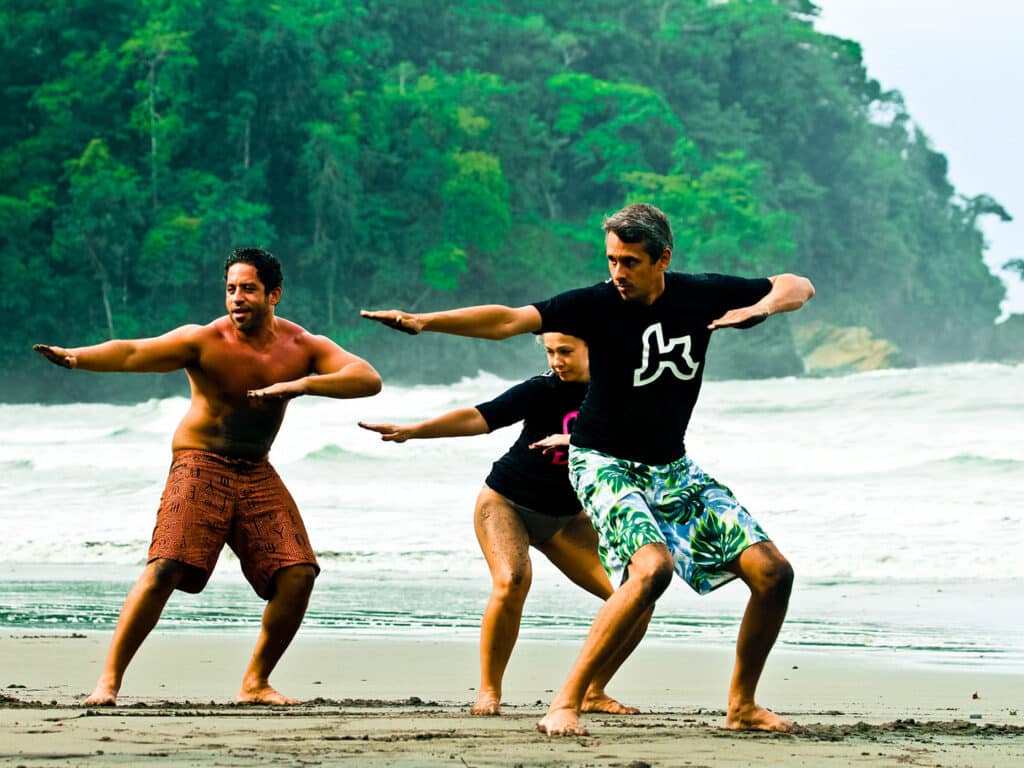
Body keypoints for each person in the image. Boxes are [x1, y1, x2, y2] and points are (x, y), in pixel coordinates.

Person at [361, 202, 814, 735]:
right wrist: (425, 322)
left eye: (629, 262)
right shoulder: (593, 305)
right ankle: (566, 702)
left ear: (662, 259)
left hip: (672, 466)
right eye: (611, 260)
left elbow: (796, 284)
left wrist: (758, 310)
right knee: (651, 570)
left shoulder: (702, 293)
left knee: (774, 573)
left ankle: (741, 706)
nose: (617, 273)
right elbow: (509, 320)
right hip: (603, 463)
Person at [34, 247, 382, 706]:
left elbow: (366, 378)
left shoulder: (303, 347)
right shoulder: (204, 341)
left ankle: (255, 683)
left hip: (256, 470)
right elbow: (135, 351)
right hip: (200, 462)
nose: (237, 298)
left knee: (298, 572)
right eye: (231, 289)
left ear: (274, 294)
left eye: (249, 289)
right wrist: (77, 357)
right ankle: (109, 681)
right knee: (165, 567)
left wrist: (300, 385)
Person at [358, 332, 651, 716]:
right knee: (513, 579)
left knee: (637, 596)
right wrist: (415, 431)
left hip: (567, 518)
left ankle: (594, 691)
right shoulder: (542, 390)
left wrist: (577, 441)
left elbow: (643, 445)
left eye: (565, 351)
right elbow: (481, 417)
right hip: (507, 504)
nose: (556, 360)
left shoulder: (620, 391)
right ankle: (488, 691)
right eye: (550, 351)